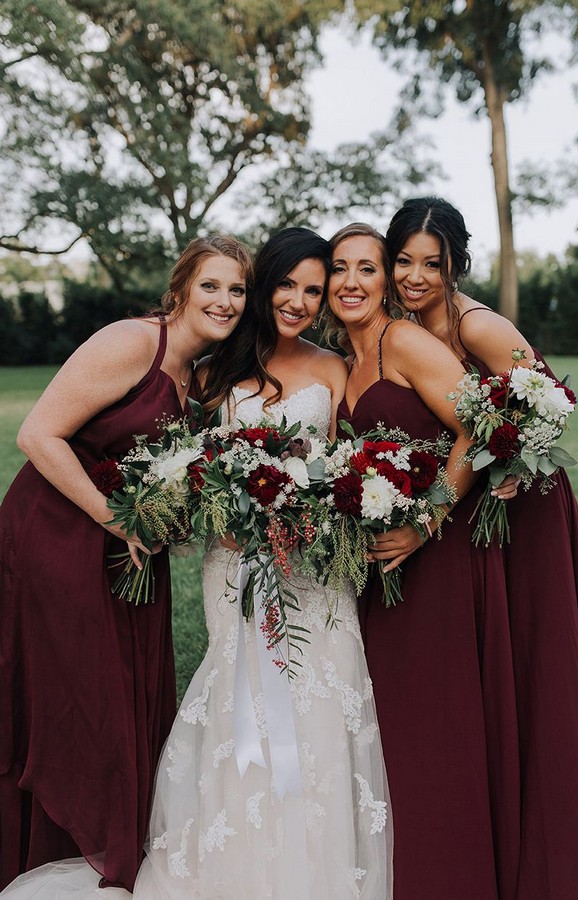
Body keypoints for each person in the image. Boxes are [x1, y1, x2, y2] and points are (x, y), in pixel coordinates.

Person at [1, 227, 392, 899]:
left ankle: (320, 854)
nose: (296, 300)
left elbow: (346, 463)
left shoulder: (326, 368)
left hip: (301, 564)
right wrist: (222, 515)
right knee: (226, 691)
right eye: (280, 285)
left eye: (311, 289)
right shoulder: (203, 371)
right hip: (212, 559)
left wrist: (314, 511)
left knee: (321, 695)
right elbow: (176, 468)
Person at [0, 235, 252, 894]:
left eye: (237, 290)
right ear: (180, 290)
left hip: (129, 553)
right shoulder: (132, 343)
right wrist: (116, 518)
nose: (224, 301)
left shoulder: (201, 374)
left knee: (121, 690)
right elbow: (38, 435)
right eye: (211, 286)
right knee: (78, 697)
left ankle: (100, 841)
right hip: (60, 535)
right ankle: (53, 841)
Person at [384, 196, 578, 899]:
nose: (415, 276)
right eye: (405, 261)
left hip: (521, 502)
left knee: (530, 654)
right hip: (476, 491)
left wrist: (509, 471)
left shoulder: (474, 323)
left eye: (432, 264)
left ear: (455, 264)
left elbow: (549, 399)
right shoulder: (411, 325)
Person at [323, 222, 522, 900]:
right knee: (398, 731)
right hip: (381, 571)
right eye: (339, 269)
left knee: (438, 728)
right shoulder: (340, 360)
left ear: (385, 284)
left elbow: (482, 423)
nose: (353, 283)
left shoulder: (402, 340)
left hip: (436, 558)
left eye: (368, 269)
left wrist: (428, 519)